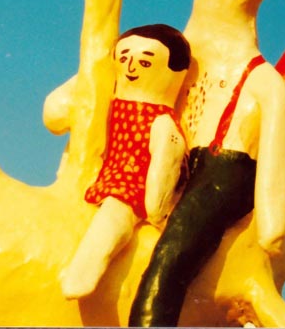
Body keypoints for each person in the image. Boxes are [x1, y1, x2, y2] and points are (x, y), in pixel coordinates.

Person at [129, 0, 285, 327]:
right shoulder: (165, 51)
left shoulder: (264, 82)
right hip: (165, 158)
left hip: (224, 169)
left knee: (169, 261)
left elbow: (274, 155)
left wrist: (273, 221)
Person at [60, 24, 190, 300]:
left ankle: (84, 271)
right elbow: (58, 111)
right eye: (124, 57)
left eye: (145, 62)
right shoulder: (107, 100)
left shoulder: (162, 123)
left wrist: (156, 209)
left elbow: (165, 164)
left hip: (131, 185)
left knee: (114, 216)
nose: (131, 67)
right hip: (96, 171)